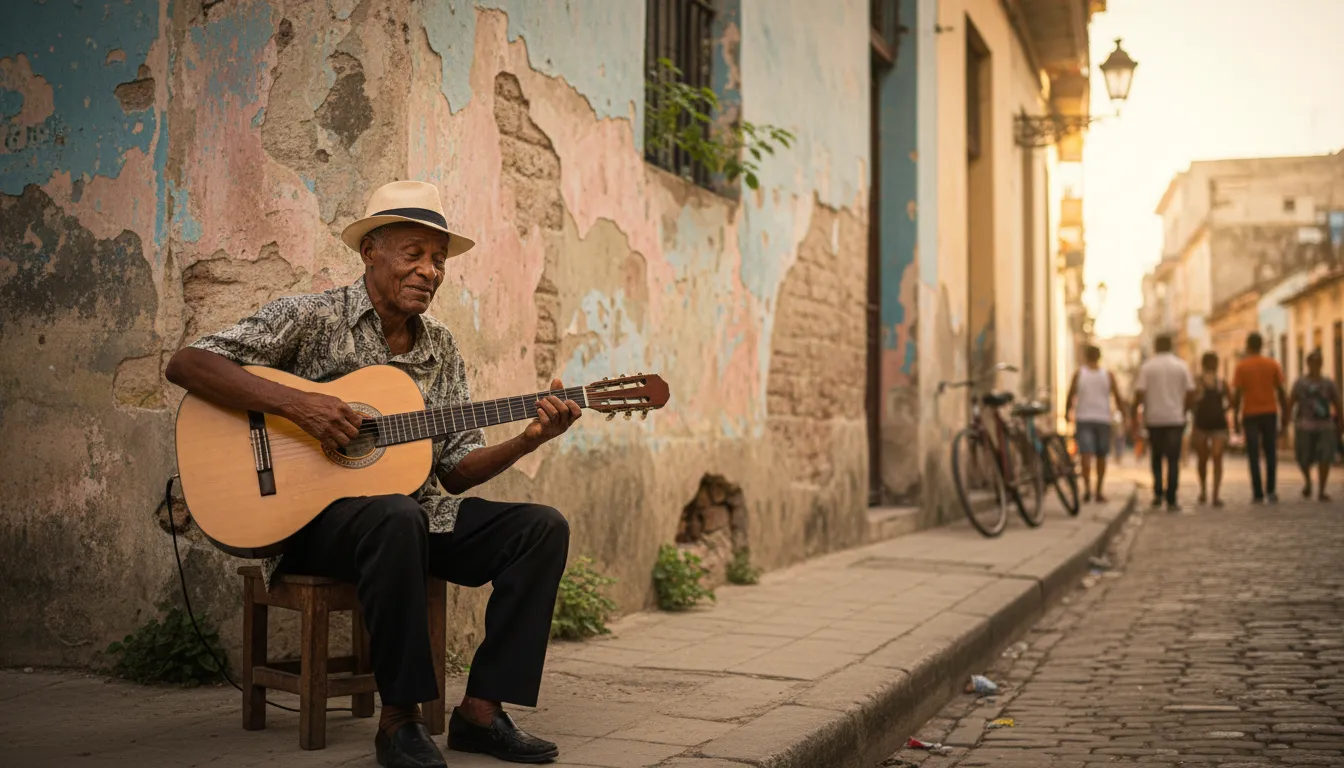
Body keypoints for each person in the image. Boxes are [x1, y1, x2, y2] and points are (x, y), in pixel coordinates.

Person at [166, 181, 574, 767]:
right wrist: (296, 405)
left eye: (438, 260)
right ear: (371, 253)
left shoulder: (442, 349)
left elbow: (455, 471)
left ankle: (481, 713)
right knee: (394, 513)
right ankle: (400, 722)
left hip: (410, 522)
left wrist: (526, 440)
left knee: (541, 529)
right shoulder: (310, 316)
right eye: (414, 253)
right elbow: (190, 363)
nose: (429, 271)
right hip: (308, 527)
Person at [1132, 334, 1195, 511]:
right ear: (1171, 346)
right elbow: (1191, 392)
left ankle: (1158, 494)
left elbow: (1138, 394)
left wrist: (1135, 418)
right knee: (1173, 459)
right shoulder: (1181, 366)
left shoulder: (1148, 367)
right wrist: (1184, 409)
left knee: (1157, 457)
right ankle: (1172, 497)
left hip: (1154, 419)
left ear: (1156, 347)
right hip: (1175, 418)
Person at [1231, 331, 1288, 504]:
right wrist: (1285, 415)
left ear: (1248, 346)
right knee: (1271, 452)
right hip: (1270, 412)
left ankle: (1257, 492)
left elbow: (1237, 395)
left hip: (1250, 414)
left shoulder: (1242, 367)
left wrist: (1235, 417)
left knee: (1253, 454)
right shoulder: (1272, 364)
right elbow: (1281, 391)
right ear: (1261, 345)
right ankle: (1271, 490)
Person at [1066, 345, 1127, 503]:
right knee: (1101, 456)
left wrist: (1068, 413)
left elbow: (1070, 394)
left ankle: (1086, 489)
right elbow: (1117, 396)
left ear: (1086, 356)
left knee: (1085, 454)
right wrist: (1125, 416)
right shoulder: (1107, 375)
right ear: (1099, 357)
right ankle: (1099, 491)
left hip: (1083, 418)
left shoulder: (1079, 374)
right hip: (1102, 419)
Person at [1288, 349, 1343, 501]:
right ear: (1308, 363)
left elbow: (1337, 403)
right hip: (1304, 426)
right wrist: (1286, 419)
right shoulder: (1300, 383)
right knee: (1302, 458)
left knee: (1325, 457)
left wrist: (1341, 422)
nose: (1315, 365)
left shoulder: (1328, 383)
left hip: (1325, 425)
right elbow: (1291, 400)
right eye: (1313, 361)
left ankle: (1322, 490)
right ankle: (1308, 481)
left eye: (1318, 362)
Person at [1189, 352, 1231, 507]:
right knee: (1206, 458)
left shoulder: (1219, 383)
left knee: (1213, 457)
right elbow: (1190, 401)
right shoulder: (1201, 383)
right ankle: (1207, 492)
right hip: (1205, 424)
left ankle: (1212, 494)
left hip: (1213, 425)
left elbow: (1231, 400)